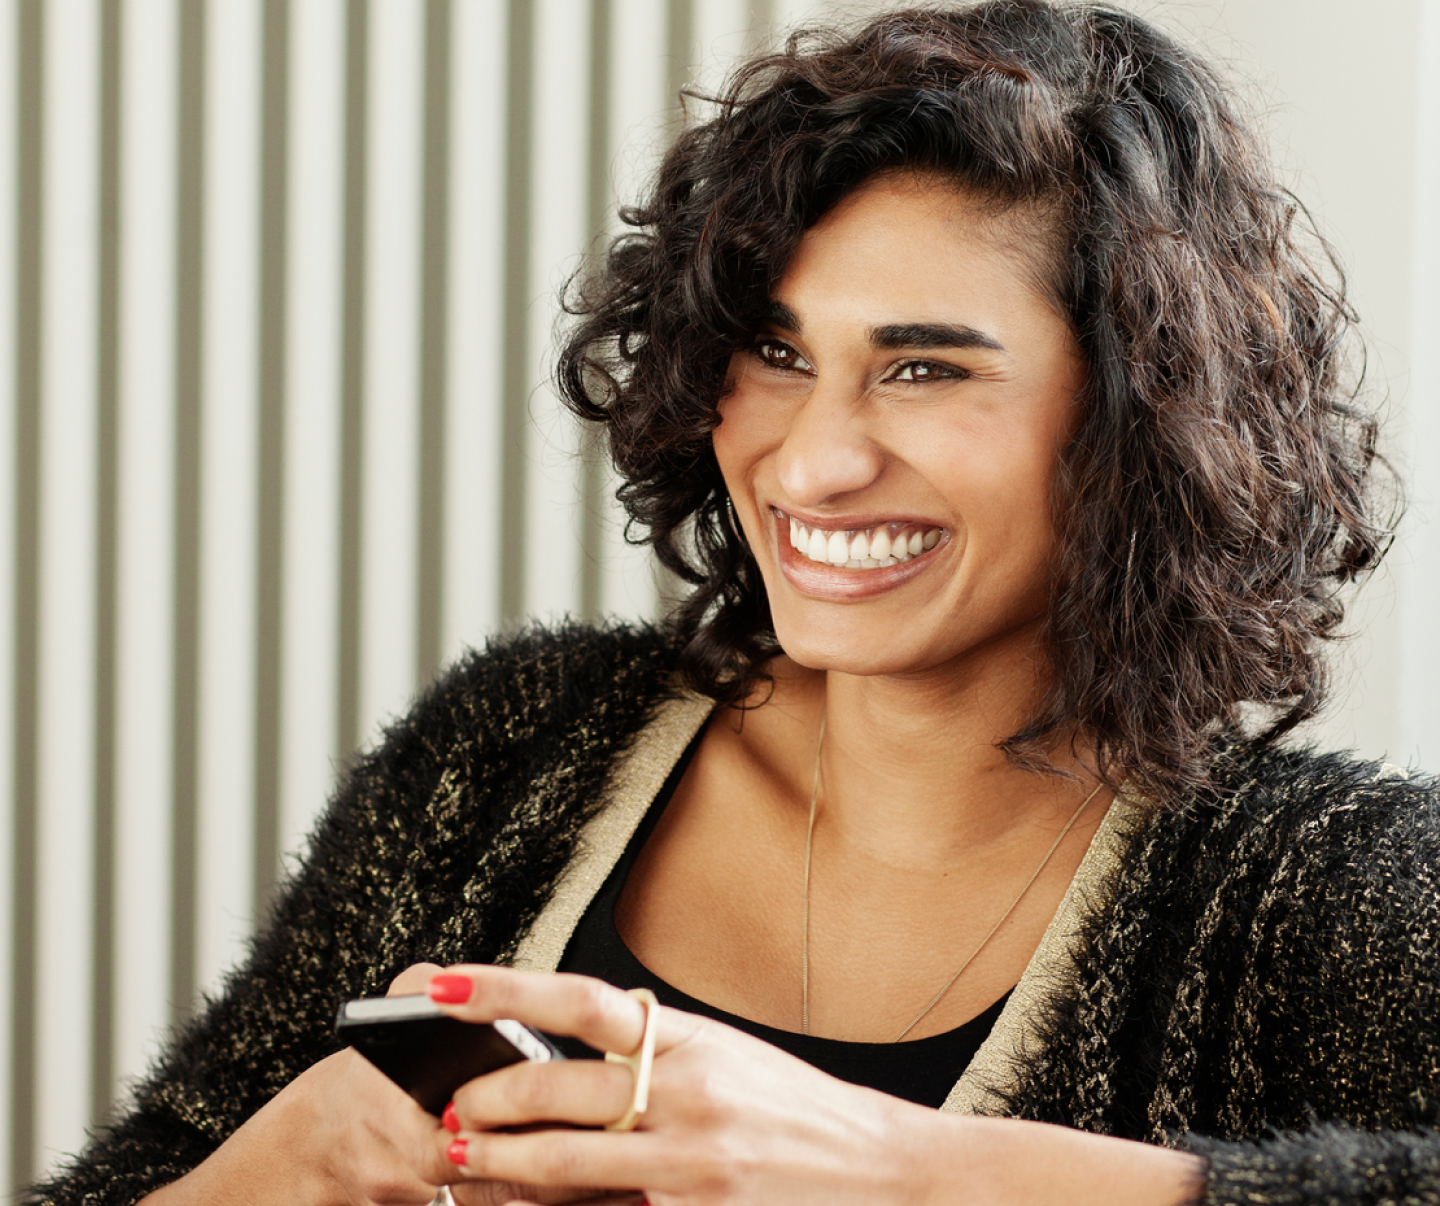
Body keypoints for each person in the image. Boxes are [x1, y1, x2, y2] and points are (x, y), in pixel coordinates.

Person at [30, 2, 1440, 1204]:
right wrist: (262, 1170)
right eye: (775, 350)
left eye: (924, 367)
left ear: (1139, 418)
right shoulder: (512, 747)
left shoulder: (1314, 891)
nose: (813, 460)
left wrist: (906, 1170)